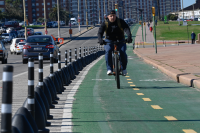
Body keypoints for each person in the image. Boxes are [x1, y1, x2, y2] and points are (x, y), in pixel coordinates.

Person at [98, 10, 132, 76]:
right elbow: (100, 32)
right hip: (109, 40)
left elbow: (127, 29)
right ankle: (109, 69)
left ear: (116, 15)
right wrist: (100, 40)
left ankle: (123, 68)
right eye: (111, 16)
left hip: (120, 40)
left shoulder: (120, 21)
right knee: (108, 51)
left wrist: (129, 37)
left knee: (122, 52)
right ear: (107, 16)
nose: (112, 17)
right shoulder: (105, 23)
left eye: (113, 16)